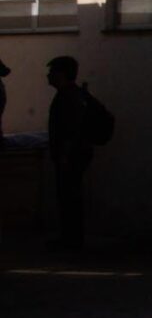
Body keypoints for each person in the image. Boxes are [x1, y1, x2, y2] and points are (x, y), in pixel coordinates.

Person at [46, 55, 107, 251]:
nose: (48, 75)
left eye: (52, 71)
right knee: (70, 196)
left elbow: (70, 129)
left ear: (61, 74)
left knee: (69, 197)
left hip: (71, 155)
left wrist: (64, 155)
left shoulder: (68, 97)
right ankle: (71, 238)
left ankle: (71, 240)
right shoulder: (74, 95)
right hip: (75, 154)